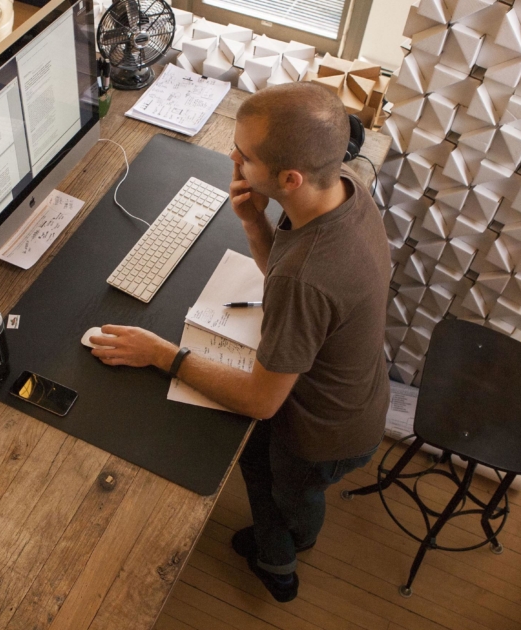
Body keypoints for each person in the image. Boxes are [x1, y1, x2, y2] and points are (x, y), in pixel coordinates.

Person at [88, 82, 390, 602]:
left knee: (273, 481)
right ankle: (301, 530)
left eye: (244, 156)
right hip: (358, 394)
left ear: (290, 179)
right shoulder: (344, 188)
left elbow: (261, 400)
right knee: (287, 482)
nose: (232, 158)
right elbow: (292, 277)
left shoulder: (307, 275)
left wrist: (160, 354)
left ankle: (280, 561)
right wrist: (254, 222)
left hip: (322, 436)